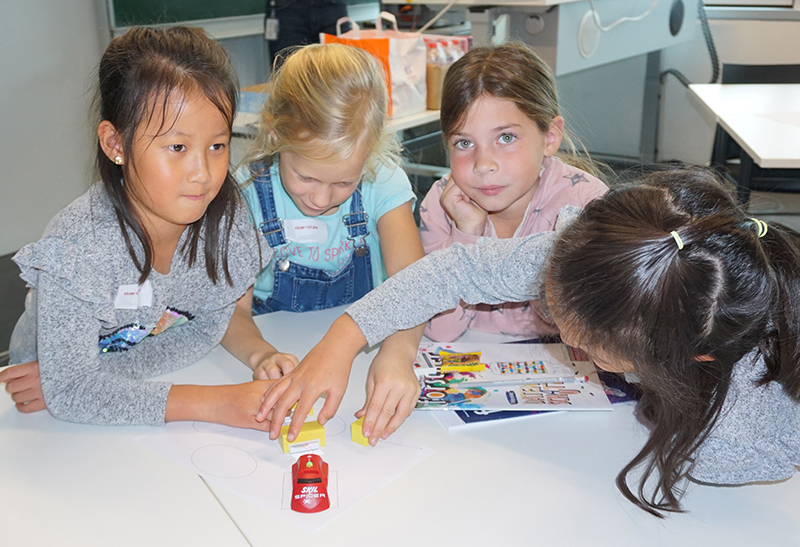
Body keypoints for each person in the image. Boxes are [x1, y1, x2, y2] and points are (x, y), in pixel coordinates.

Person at [266, 166, 800, 516]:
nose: (564, 338)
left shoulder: (741, 440)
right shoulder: (592, 253)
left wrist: (661, 406)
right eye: (553, 302)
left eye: (587, 345)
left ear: (687, 358)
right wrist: (341, 339)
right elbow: (451, 271)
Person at [0, 26, 296, 428]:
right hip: (42, 412)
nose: (203, 174)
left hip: (128, 387)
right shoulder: (79, 246)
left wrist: (99, 377)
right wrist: (215, 405)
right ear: (116, 144)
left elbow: (210, 327)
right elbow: (69, 392)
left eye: (217, 145)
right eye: (177, 147)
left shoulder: (224, 218)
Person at [238, 43, 425, 445]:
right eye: (305, 177)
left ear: (371, 150)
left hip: (366, 354)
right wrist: (260, 354)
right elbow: (231, 313)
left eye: (343, 183)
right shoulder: (248, 193)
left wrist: (399, 352)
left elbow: (415, 287)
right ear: (275, 134)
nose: (321, 200)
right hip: (281, 356)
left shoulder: (383, 183)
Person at [419, 43, 608, 342]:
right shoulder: (442, 205)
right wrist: (468, 235)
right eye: (464, 143)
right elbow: (441, 330)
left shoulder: (585, 204)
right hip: (470, 359)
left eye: (506, 137)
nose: (484, 165)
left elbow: (592, 325)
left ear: (549, 136)